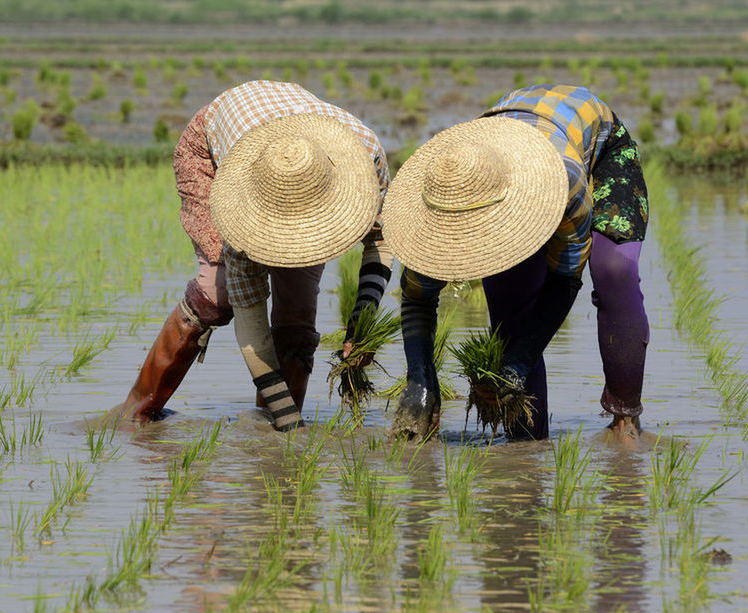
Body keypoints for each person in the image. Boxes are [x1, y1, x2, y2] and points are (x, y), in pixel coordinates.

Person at [116, 80, 393, 432]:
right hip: (216, 145)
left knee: (297, 312)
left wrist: (361, 323)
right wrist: (292, 424)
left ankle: (272, 426)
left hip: (299, 149)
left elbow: (381, 239)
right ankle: (136, 415)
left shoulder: (365, 155)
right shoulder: (241, 212)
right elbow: (253, 332)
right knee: (217, 294)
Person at [382, 85, 649, 445]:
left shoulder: (565, 179)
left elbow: (565, 280)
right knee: (511, 306)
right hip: (500, 149)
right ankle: (526, 444)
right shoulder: (434, 208)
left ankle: (625, 421)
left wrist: (520, 362)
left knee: (615, 271)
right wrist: (420, 379)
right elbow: (417, 297)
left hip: (591, 146)